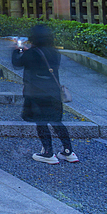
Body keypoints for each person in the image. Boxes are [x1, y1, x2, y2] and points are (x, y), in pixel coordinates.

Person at [12, 24, 78, 164]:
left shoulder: (31, 53)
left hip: (36, 94)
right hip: (53, 93)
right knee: (56, 121)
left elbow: (17, 63)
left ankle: (48, 153)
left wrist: (17, 50)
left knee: (41, 122)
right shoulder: (54, 52)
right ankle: (68, 151)